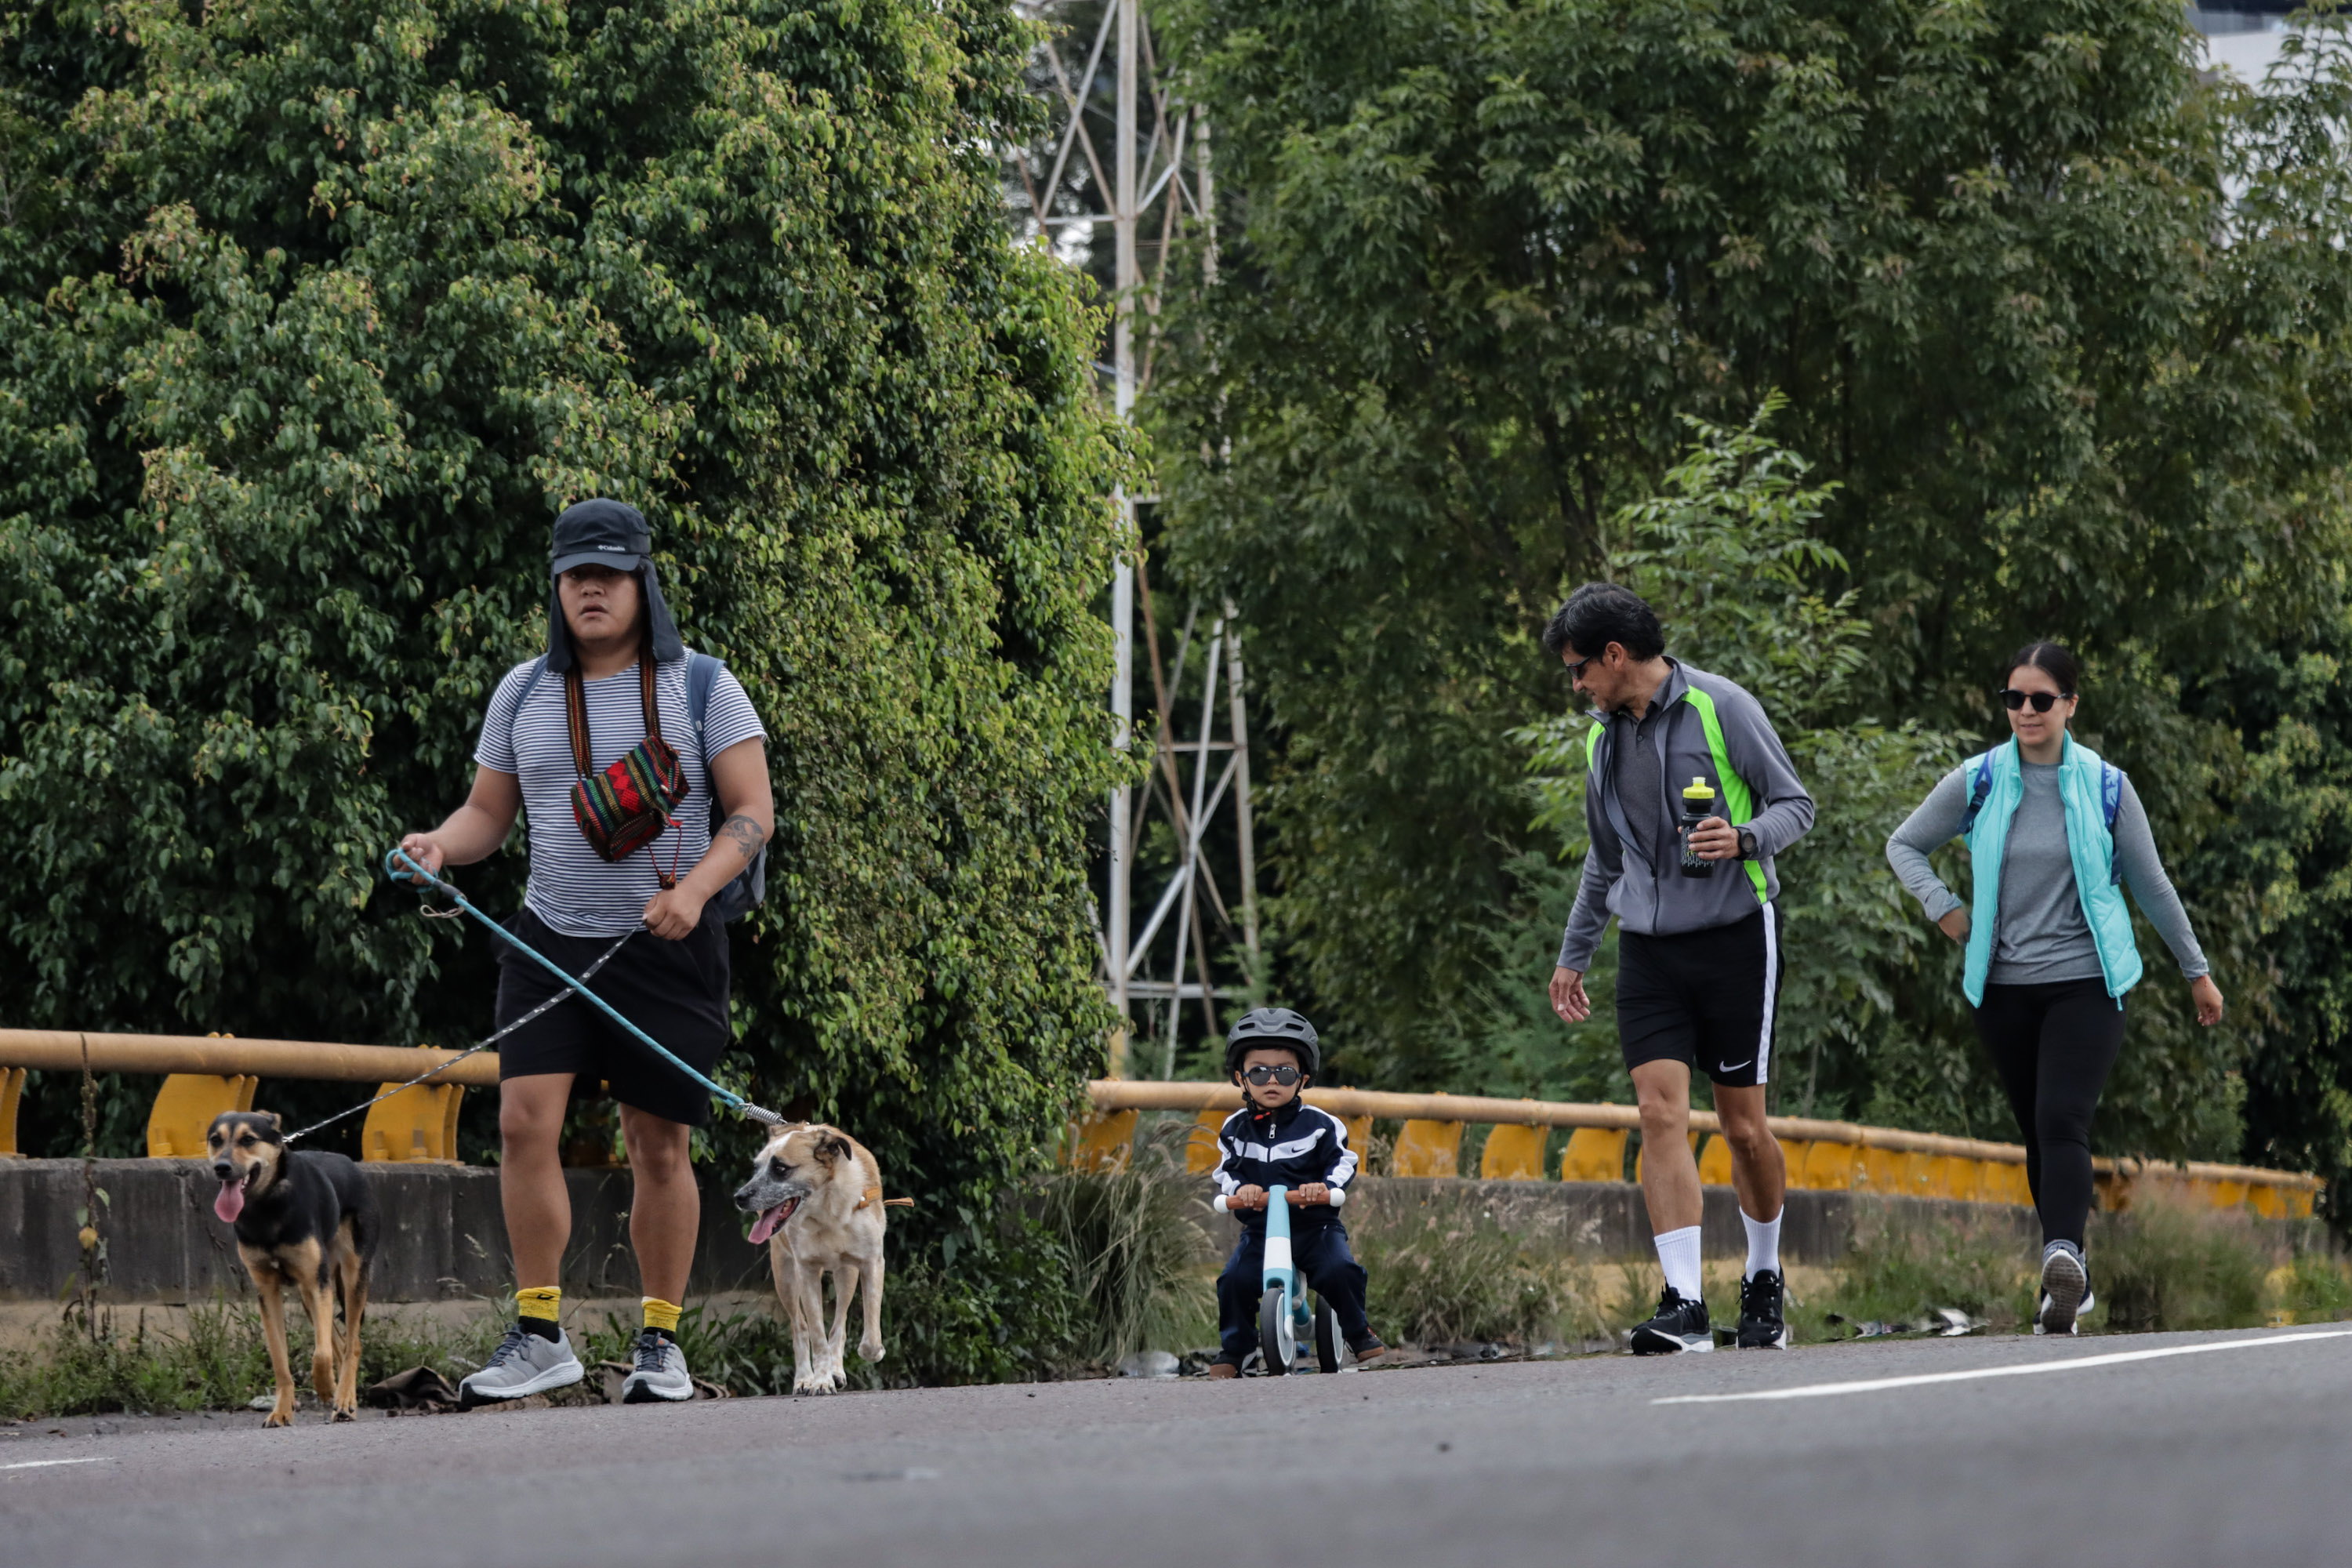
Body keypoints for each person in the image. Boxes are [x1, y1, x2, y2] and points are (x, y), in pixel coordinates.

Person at [400, 499, 774, 1404]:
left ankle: (660, 1342)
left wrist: (693, 889)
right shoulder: (523, 691)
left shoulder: (703, 685)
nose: (593, 588)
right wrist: (441, 846)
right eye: (577, 575)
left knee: (656, 1144)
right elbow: (489, 814)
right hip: (550, 941)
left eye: (611, 572)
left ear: (644, 580)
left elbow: (753, 811)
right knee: (524, 1123)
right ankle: (538, 1333)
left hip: (667, 947)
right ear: (557, 586)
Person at [1886, 641, 2222, 1335]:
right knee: (2037, 1133)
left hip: (2087, 983)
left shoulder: (2105, 787)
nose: (2027, 711)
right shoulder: (1979, 780)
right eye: (2015, 699)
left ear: (2071, 704)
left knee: (2062, 1120)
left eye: (2042, 699)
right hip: (2003, 988)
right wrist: (1947, 910)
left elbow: (2151, 884)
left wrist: (2197, 971)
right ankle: (2069, 1280)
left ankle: (2062, 1252)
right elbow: (1904, 844)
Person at [1544, 583, 1816, 1352]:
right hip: (1649, 948)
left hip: (1736, 936)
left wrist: (1747, 837)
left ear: (1616, 654)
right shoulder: (1602, 741)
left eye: (1579, 670)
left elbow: (1796, 804)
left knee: (1743, 1125)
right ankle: (1685, 1301)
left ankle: (1763, 1275)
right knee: (1659, 1111)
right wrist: (1574, 952)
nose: (1577, 687)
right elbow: (1606, 860)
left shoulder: (1722, 707)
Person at [1206, 1008, 1385, 1377]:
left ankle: (1357, 1331)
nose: (1271, 1080)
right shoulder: (1234, 1129)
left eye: (1284, 1072)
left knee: (1339, 1270)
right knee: (1234, 1280)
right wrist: (1242, 1190)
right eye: (1259, 1071)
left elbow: (1344, 1161)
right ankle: (1237, 1349)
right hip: (1262, 1229)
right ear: (1241, 1077)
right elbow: (1227, 1170)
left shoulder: (1322, 1125)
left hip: (1313, 1225)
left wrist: (1326, 1188)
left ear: (1303, 1077)